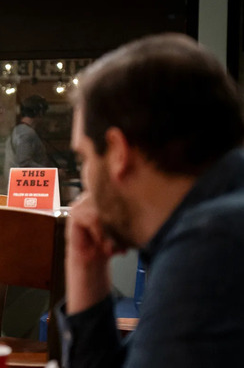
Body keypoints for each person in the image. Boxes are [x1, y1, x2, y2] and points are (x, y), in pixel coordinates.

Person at [56, 32, 244, 367]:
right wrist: (87, 271)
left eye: (84, 158)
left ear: (116, 152)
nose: (85, 179)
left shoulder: (211, 244)